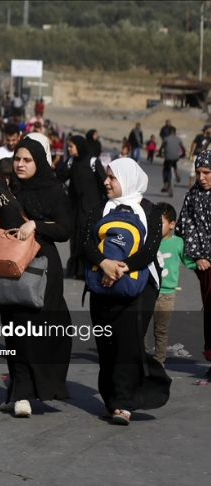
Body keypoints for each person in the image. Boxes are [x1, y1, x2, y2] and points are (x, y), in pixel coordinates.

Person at [0, 137, 74, 418]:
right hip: (10, 269)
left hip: (44, 269)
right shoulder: (2, 189)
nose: (20, 164)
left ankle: (25, 391)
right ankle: (20, 395)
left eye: (27, 160)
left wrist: (36, 225)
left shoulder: (54, 190)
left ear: (39, 162)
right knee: (17, 332)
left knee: (49, 331)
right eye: (17, 158)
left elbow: (65, 229)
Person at [83, 158, 171, 425]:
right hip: (101, 283)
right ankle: (110, 399)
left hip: (139, 286)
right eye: (107, 176)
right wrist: (104, 264)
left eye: (112, 177)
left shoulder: (150, 210)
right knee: (106, 344)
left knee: (127, 344)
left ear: (127, 179)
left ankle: (123, 402)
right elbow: (86, 242)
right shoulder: (100, 208)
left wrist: (120, 268)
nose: (106, 181)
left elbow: (149, 249)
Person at [145, 203, 196, 364]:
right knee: (142, 330)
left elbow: (190, 263)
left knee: (161, 331)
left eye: (161, 222)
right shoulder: (147, 239)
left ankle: (158, 362)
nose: (156, 226)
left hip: (166, 296)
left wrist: (201, 260)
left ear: (172, 224)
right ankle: (143, 360)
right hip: (147, 292)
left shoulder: (178, 243)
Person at [175, 150, 211, 374]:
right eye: (198, 172)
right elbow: (184, 228)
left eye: (207, 172)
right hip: (206, 265)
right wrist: (198, 256)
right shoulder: (193, 196)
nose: (201, 177)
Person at [64, 135, 107, 279]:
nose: (69, 149)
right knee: (75, 237)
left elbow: (103, 183)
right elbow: (60, 176)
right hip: (75, 208)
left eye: (71, 146)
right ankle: (75, 269)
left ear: (79, 146)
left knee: (87, 236)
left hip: (90, 208)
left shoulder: (93, 162)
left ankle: (86, 270)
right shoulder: (71, 162)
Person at [161, 129, 184, 194]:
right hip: (176, 157)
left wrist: (159, 153)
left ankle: (165, 185)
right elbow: (183, 148)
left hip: (168, 158)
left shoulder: (166, 139)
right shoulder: (178, 139)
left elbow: (161, 147)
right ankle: (177, 173)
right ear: (175, 132)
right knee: (174, 163)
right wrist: (183, 154)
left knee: (165, 169)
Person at [189, 125, 211, 190]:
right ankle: (190, 183)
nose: (210, 130)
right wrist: (191, 151)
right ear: (205, 130)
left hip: (204, 156)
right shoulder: (199, 136)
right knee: (194, 169)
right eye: (209, 129)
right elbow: (193, 143)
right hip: (196, 155)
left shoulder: (209, 138)